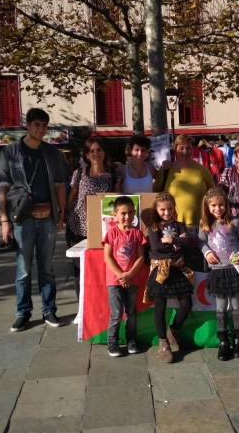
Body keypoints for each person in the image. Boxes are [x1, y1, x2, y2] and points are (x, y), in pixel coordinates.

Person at [0, 108, 67, 332]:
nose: (41, 129)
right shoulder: (10, 152)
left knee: (47, 268)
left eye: (44, 125)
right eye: (37, 125)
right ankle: (23, 312)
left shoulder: (52, 153)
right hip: (22, 218)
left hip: (47, 217)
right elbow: (3, 188)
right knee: (24, 270)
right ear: (27, 126)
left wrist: (61, 213)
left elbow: (59, 185)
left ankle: (49, 310)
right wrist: (4, 221)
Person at [199, 187, 239, 360]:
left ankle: (238, 339)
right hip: (218, 271)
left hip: (234, 270)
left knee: (236, 305)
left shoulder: (234, 222)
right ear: (207, 206)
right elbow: (201, 242)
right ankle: (223, 341)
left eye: (221, 205)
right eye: (213, 205)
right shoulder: (205, 224)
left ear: (226, 205)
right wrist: (207, 252)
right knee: (220, 307)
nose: (217, 208)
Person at [66, 137, 119, 298]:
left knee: (100, 268)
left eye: (99, 150)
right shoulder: (79, 173)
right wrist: (64, 215)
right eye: (92, 151)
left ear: (104, 152)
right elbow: (71, 197)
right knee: (79, 269)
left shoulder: (113, 173)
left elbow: (118, 199)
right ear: (87, 155)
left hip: (102, 230)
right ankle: (82, 304)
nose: (96, 153)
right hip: (78, 228)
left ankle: (97, 302)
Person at [146, 192, 195, 363]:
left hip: (177, 268)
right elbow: (156, 247)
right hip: (160, 269)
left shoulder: (180, 226)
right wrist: (175, 244)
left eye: (170, 209)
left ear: (174, 208)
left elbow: (187, 242)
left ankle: (174, 330)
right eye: (162, 210)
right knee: (160, 305)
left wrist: (171, 240)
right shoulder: (153, 227)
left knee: (186, 303)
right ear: (156, 210)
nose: (166, 212)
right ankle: (163, 342)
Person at [102, 196, 147, 357]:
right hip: (114, 281)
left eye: (130, 213)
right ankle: (112, 342)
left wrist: (129, 275)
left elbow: (141, 258)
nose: (127, 216)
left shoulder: (137, 233)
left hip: (132, 280)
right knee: (116, 314)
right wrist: (121, 275)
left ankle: (131, 340)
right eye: (123, 213)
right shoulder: (111, 233)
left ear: (134, 213)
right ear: (115, 214)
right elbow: (107, 257)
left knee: (131, 312)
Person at [153, 134, 214, 233]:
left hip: (199, 225)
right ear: (175, 149)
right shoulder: (166, 170)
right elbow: (155, 194)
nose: (185, 151)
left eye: (188, 148)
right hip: (173, 226)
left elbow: (213, 195)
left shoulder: (203, 170)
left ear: (193, 149)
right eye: (181, 148)